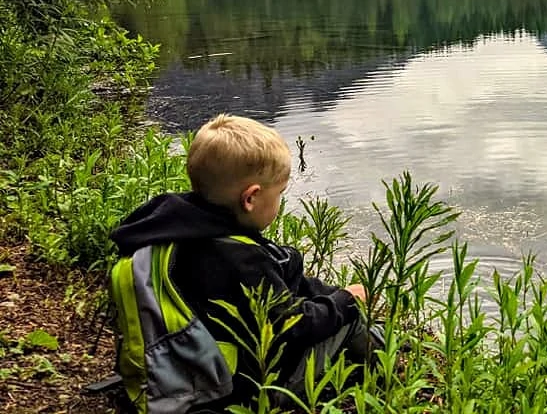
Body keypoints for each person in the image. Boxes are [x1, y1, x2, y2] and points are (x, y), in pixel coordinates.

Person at [110, 113, 376, 410]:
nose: (279, 202)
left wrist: (325, 293)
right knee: (349, 317)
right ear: (251, 198)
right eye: (280, 194)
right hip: (237, 395)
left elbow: (279, 288)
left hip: (179, 377)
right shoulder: (238, 258)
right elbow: (293, 326)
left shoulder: (173, 231)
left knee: (330, 302)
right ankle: (385, 377)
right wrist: (344, 301)